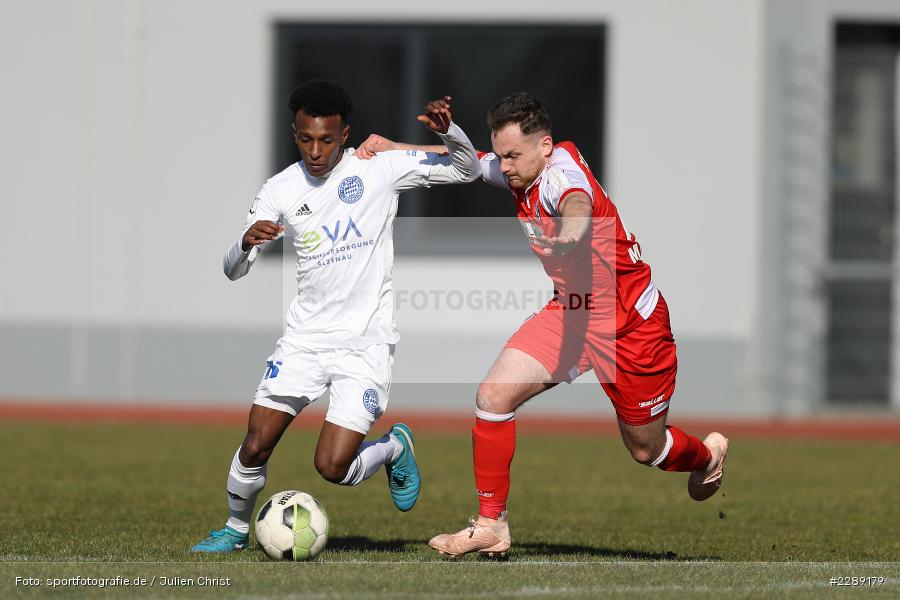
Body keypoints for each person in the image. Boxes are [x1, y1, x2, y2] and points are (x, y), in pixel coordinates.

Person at [356, 92, 728, 557]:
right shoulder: (521, 171)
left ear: (545, 145)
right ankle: (491, 524)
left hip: (633, 328)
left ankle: (707, 457)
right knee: (493, 396)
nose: (506, 165)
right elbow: (471, 163)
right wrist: (394, 148)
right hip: (574, 314)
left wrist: (573, 230)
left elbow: (576, 200)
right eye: (503, 154)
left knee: (647, 450)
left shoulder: (560, 178)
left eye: (513, 155)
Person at [191, 81, 480, 552]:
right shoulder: (280, 189)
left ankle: (393, 448)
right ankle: (235, 529)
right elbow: (232, 271)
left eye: (326, 139)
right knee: (256, 442)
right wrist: (244, 243)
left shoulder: (380, 169)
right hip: (304, 342)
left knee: (332, 467)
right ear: (294, 132)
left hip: (365, 344)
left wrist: (453, 135)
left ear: (345, 134)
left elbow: (466, 171)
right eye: (305, 139)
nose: (316, 150)